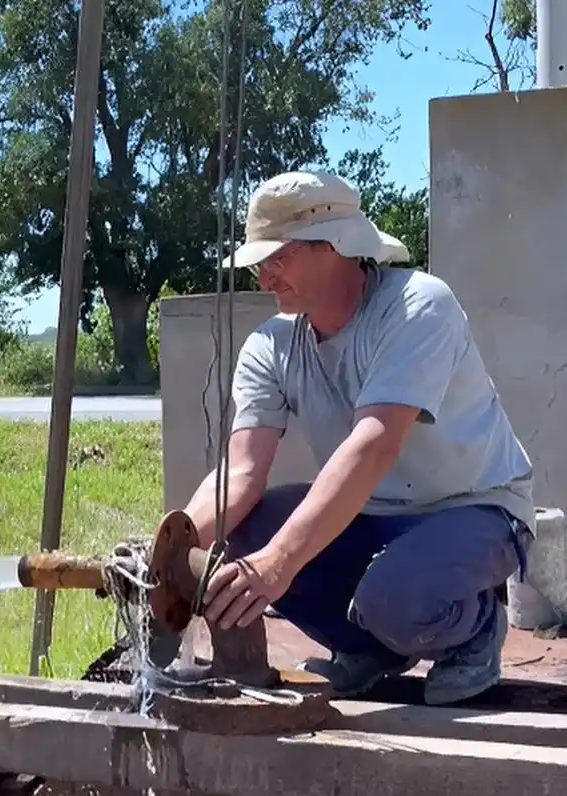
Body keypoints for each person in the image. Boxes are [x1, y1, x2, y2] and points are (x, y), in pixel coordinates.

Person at [183, 169, 535, 706]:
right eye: (259, 262)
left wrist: (279, 563)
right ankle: (372, 650)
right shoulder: (270, 346)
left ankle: (475, 630)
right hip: (371, 515)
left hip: (474, 510)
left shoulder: (418, 307)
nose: (264, 278)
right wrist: (168, 550)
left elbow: (374, 445)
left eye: (277, 258)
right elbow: (243, 471)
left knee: (391, 594)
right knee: (249, 529)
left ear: (336, 245)